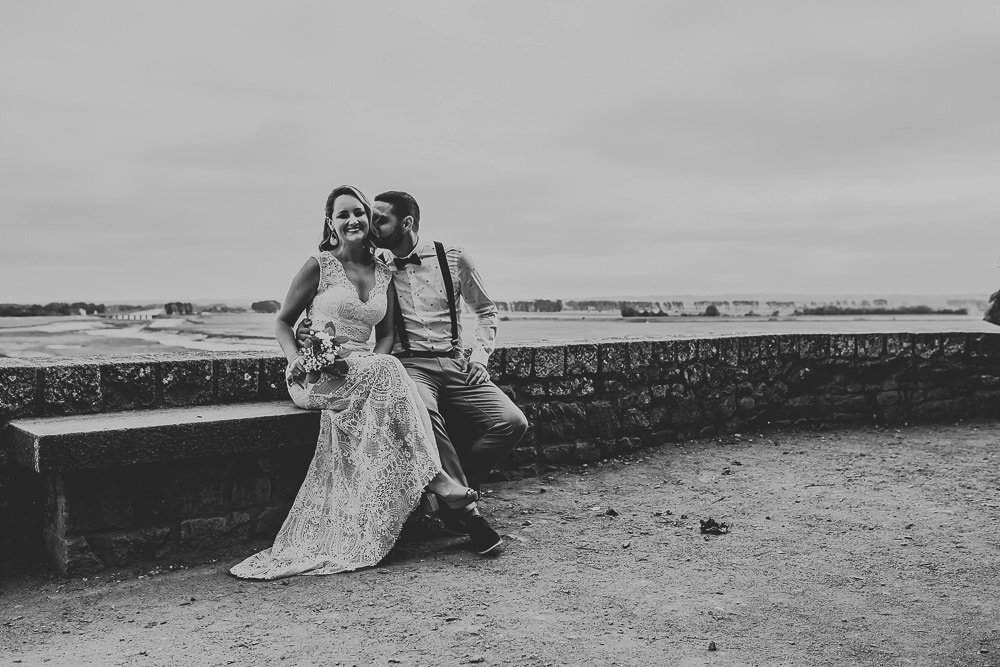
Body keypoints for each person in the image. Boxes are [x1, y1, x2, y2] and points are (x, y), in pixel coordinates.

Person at [230, 185, 490, 580]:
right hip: (316, 374)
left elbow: (384, 337)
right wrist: (298, 357)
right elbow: (283, 321)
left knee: (387, 368)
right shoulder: (319, 264)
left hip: (362, 368)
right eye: (342, 215)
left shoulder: (383, 270)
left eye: (359, 213)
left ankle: (442, 492)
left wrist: (369, 359)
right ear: (331, 223)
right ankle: (440, 484)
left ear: (369, 220)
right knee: (390, 372)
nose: (352, 220)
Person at [296, 190, 527, 548]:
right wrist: (306, 331)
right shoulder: (380, 265)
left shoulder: (453, 257)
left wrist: (479, 358)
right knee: (426, 415)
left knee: (512, 422)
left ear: (405, 223)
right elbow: (334, 307)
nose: (371, 225)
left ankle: (443, 493)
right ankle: (467, 511)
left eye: (379, 219)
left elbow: (486, 311)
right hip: (409, 365)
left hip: (456, 361)